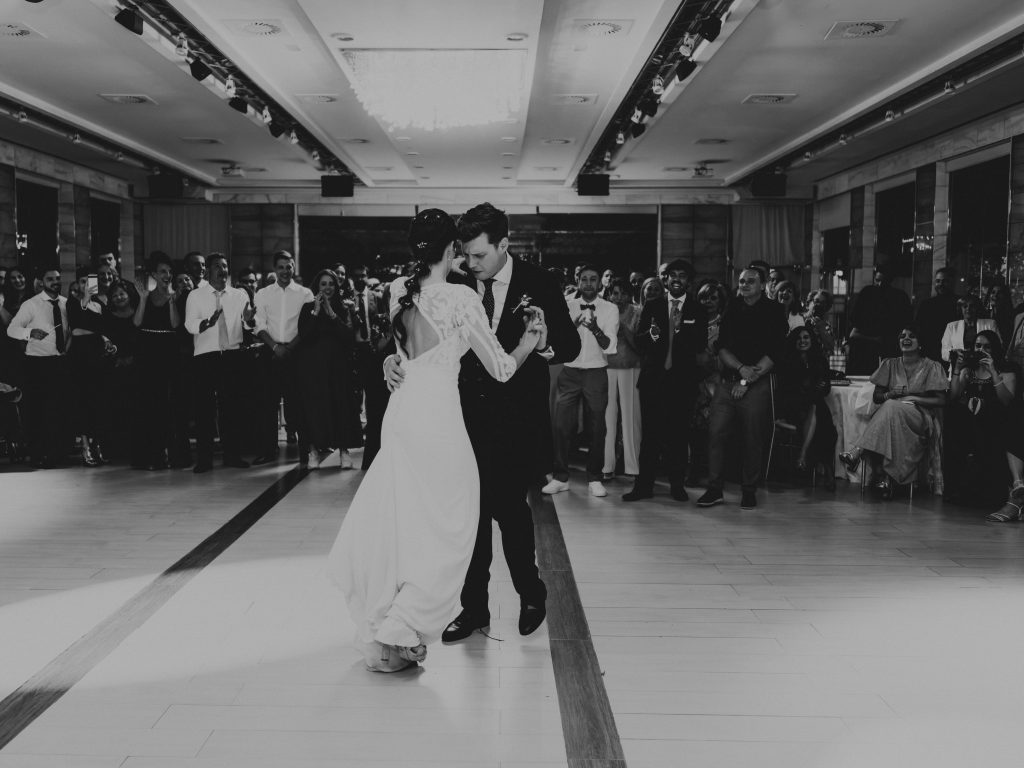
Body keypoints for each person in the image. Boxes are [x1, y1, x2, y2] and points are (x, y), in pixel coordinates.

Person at [328, 209, 544, 672]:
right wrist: (528, 341)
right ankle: (403, 626)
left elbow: (405, 352)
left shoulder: (396, 292)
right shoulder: (461, 297)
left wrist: (390, 361)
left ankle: (392, 627)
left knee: (404, 519)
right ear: (451, 249)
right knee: (451, 522)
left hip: (403, 414)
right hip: (439, 420)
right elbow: (501, 369)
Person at [385, 202, 580, 644]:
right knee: (468, 515)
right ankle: (473, 608)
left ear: (503, 245)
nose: (469, 265)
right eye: (464, 255)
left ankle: (531, 595)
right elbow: (415, 336)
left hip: (516, 419)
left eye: (478, 256)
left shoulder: (540, 282)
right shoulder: (450, 282)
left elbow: (568, 345)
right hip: (460, 418)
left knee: (511, 511)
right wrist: (389, 361)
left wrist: (544, 341)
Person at [697, 267, 788, 510]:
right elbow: (722, 347)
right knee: (716, 433)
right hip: (730, 379)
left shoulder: (775, 310)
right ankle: (715, 489)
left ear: (762, 284)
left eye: (750, 281)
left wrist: (747, 381)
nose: (745, 285)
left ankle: (749, 490)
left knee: (753, 436)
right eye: (741, 281)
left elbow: (776, 351)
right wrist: (739, 371)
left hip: (759, 380)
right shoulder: (731, 309)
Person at [624, 259, 707, 502]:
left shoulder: (697, 309)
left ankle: (677, 486)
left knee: (678, 436)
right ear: (666, 280)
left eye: (682, 276)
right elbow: (640, 341)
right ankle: (643, 487)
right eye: (672, 275)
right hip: (653, 380)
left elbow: (700, 344)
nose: (677, 279)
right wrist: (653, 336)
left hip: (682, 382)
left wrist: (680, 331)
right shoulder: (653, 305)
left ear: (689, 282)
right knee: (650, 435)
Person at [839, 323, 948, 498]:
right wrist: (890, 394)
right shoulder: (889, 364)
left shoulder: (931, 366)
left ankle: (858, 451)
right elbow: (877, 397)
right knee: (891, 412)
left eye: (911, 336)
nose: (906, 339)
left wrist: (914, 398)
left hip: (919, 416)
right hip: (893, 417)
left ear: (920, 343)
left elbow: (941, 400)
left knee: (890, 407)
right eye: (902, 336)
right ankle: (887, 481)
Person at [544, 264, 618, 497]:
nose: (588, 283)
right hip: (570, 371)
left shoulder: (610, 308)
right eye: (584, 279)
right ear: (578, 281)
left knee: (597, 426)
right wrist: (572, 326)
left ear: (599, 283)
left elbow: (610, 346)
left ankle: (595, 478)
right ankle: (560, 477)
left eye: (593, 279)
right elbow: (555, 340)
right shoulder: (567, 305)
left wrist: (595, 329)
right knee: (560, 424)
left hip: (596, 371)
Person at [183, 253, 252, 473]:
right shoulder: (195, 295)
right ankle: (204, 459)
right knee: (204, 409)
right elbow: (189, 323)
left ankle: (232, 455)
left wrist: (251, 320)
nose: (222, 269)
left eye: (225, 266)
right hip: (206, 355)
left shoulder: (239, 294)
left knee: (231, 407)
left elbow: (250, 323)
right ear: (209, 271)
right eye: (217, 266)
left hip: (232, 355)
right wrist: (204, 323)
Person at [944, 330, 1021, 508]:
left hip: (996, 420)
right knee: (954, 415)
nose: (982, 350)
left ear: (994, 349)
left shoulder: (1007, 370)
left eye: (987, 346)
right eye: (978, 346)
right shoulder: (968, 371)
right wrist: (957, 369)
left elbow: (1007, 401)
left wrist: (993, 372)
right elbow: (954, 397)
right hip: (971, 421)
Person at [253, 251, 313, 465]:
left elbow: (308, 326)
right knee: (267, 404)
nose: (285, 271)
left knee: (297, 403)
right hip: (271, 352)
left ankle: (304, 450)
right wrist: (275, 347)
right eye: (281, 267)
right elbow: (258, 324)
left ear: (293, 268)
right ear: (274, 269)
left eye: (289, 267)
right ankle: (268, 450)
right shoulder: (263, 294)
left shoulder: (305, 294)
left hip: (297, 353)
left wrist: (290, 348)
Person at [6, 266, 70, 468]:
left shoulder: (66, 304)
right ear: (42, 282)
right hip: (37, 364)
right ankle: (39, 454)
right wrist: (30, 333)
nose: (55, 282)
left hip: (60, 362)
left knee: (59, 410)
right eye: (50, 278)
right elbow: (12, 329)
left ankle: (58, 455)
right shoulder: (31, 304)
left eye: (58, 278)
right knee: (39, 411)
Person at [295, 269, 359, 468]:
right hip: (313, 368)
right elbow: (304, 336)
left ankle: (344, 451)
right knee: (315, 408)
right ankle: (313, 450)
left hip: (338, 367)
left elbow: (349, 337)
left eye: (331, 284)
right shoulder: (307, 308)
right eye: (323, 284)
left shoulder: (343, 307)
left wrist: (332, 314)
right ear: (317, 287)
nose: (328, 288)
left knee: (340, 406)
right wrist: (316, 312)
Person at [132, 253, 182, 470]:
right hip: (148, 355)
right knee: (149, 406)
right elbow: (137, 323)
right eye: (163, 272)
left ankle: (170, 453)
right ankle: (151, 455)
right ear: (153, 275)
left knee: (168, 406)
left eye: (169, 272)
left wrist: (172, 302)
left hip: (168, 355)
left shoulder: (175, 296)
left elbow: (175, 324)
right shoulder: (145, 296)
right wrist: (143, 299)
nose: (167, 275)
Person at [776, 327, 838, 490]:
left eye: (806, 338)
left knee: (821, 419)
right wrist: (811, 389)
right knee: (819, 414)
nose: (802, 341)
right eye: (799, 338)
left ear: (811, 341)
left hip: (814, 403)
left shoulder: (820, 360)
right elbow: (787, 389)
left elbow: (825, 388)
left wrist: (811, 390)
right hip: (793, 406)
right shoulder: (787, 362)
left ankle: (802, 456)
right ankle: (828, 472)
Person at [350, 262, 391, 469]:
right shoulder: (348, 298)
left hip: (382, 358)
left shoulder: (378, 299)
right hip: (367, 355)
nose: (360, 277)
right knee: (371, 405)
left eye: (363, 274)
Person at [601, 278, 642, 481]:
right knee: (607, 417)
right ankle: (606, 465)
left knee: (631, 417)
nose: (618, 297)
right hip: (606, 365)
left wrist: (625, 330)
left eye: (622, 293)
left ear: (629, 294)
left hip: (631, 365)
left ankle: (633, 467)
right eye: (614, 293)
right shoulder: (603, 310)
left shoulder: (637, 312)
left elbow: (641, 344)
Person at [688, 280, 728, 486]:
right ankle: (694, 469)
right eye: (704, 297)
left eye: (714, 298)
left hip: (715, 381)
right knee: (694, 430)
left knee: (714, 429)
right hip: (693, 380)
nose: (708, 301)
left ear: (721, 302)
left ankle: (715, 473)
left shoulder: (725, 324)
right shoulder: (692, 321)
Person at [67, 266, 109, 466]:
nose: (86, 285)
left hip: (97, 356)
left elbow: (101, 330)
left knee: (99, 401)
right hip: (81, 357)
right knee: (83, 401)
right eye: (83, 282)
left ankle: (97, 443)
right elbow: (75, 330)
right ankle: (85, 445)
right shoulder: (73, 304)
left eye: (89, 281)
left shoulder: (99, 305)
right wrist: (84, 298)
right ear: (77, 285)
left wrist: (103, 338)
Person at [846, 264, 912, 375]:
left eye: (883, 281)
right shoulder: (898, 296)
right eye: (877, 280)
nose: (880, 284)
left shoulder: (868, 293)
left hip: (881, 346)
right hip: (870, 347)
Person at [915, 267, 959, 363]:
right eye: (938, 281)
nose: (940, 284)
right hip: (930, 353)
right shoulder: (926, 304)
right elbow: (918, 328)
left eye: (945, 281)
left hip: (952, 353)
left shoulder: (959, 303)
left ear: (952, 282)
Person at [940, 294, 998, 365]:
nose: (968, 309)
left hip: (984, 368)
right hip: (960, 369)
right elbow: (944, 352)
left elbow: (998, 346)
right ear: (960, 308)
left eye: (972, 306)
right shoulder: (951, 326)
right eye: (965, 306)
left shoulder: (990, 324)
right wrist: (954, 353)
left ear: (977, 308)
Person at [803, 289, 836, 356]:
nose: (819, 305)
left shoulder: (826, 325)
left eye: (823, 303)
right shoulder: (800, 319)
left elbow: (830, 347)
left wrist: (821, 328)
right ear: (808, 303)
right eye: (816, 301)